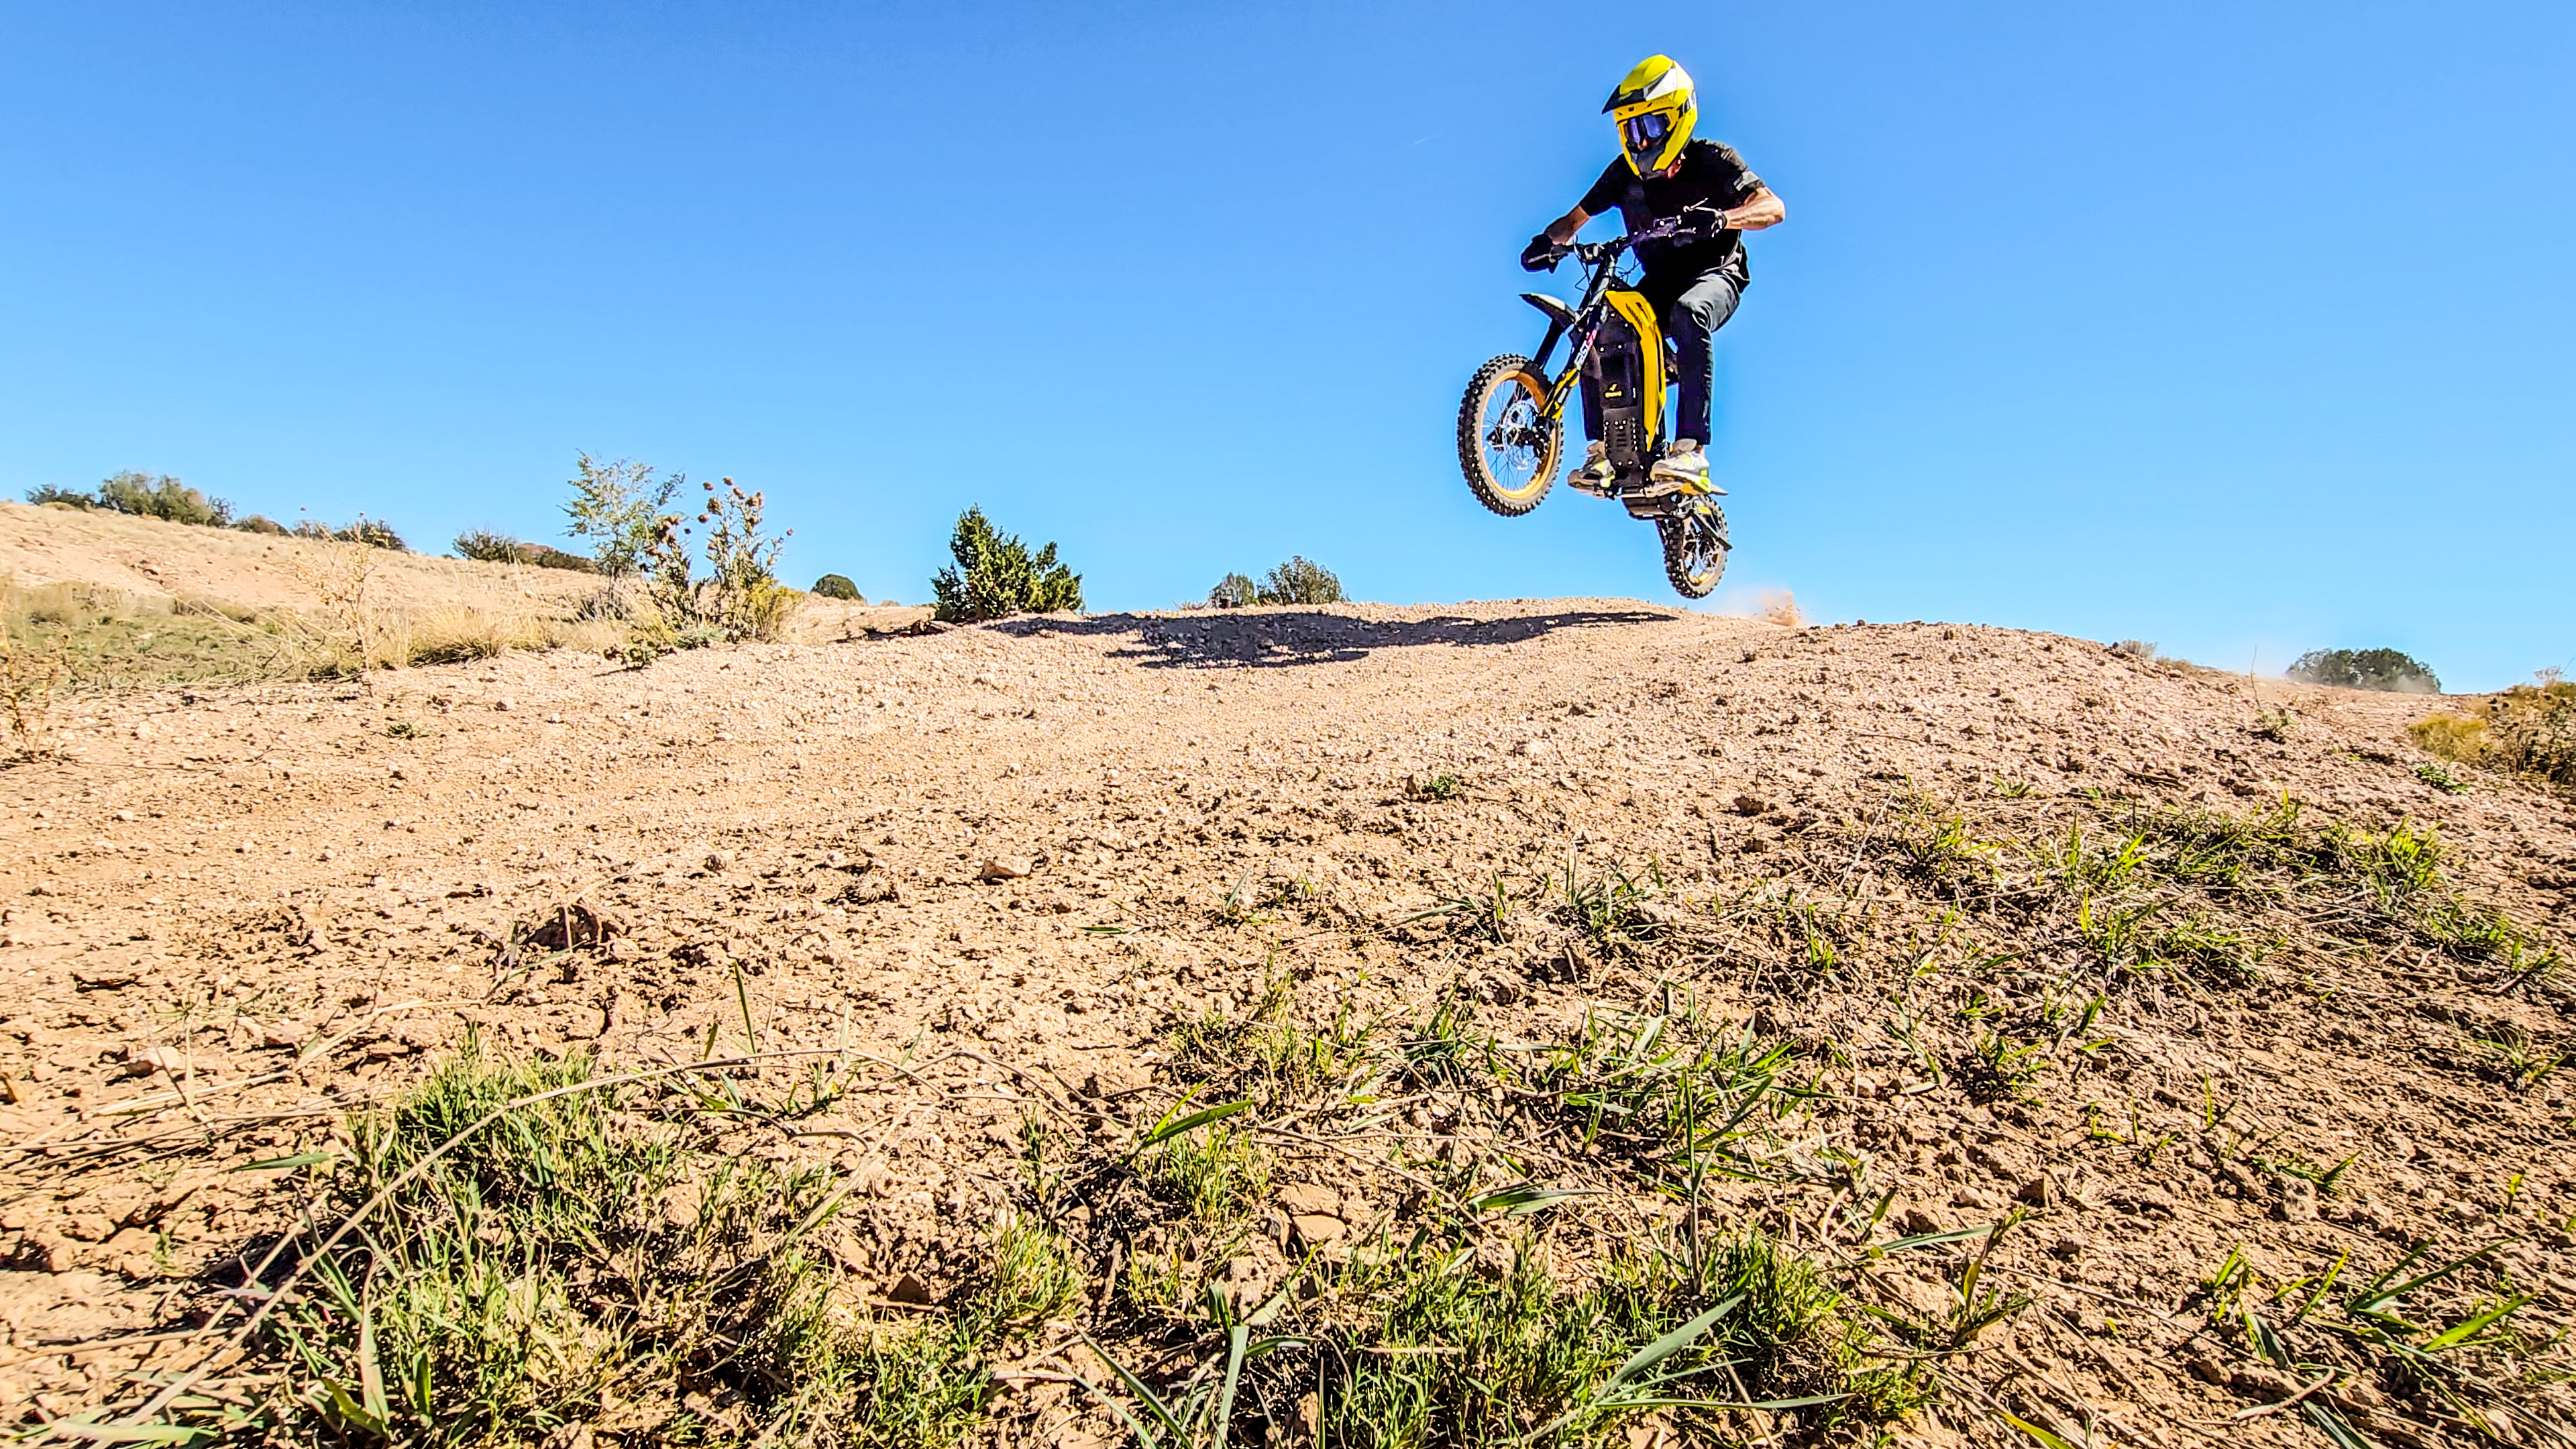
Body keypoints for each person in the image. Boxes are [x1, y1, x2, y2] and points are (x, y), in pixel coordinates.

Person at [1521, 55, 1785, 491]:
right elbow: (1573, 221)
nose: (1640, 143)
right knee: (1601, 327)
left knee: (1689, 312)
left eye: (1650, 128)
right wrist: (1549, 243)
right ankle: (1601, 455)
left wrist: (1723, 218)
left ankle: (1691, 454)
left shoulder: (1713, 161)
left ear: (1679, 117)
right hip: (1657, 282)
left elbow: (1773, 207)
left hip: (1716, 274)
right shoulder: (1624, 174)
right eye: (1630, 131)